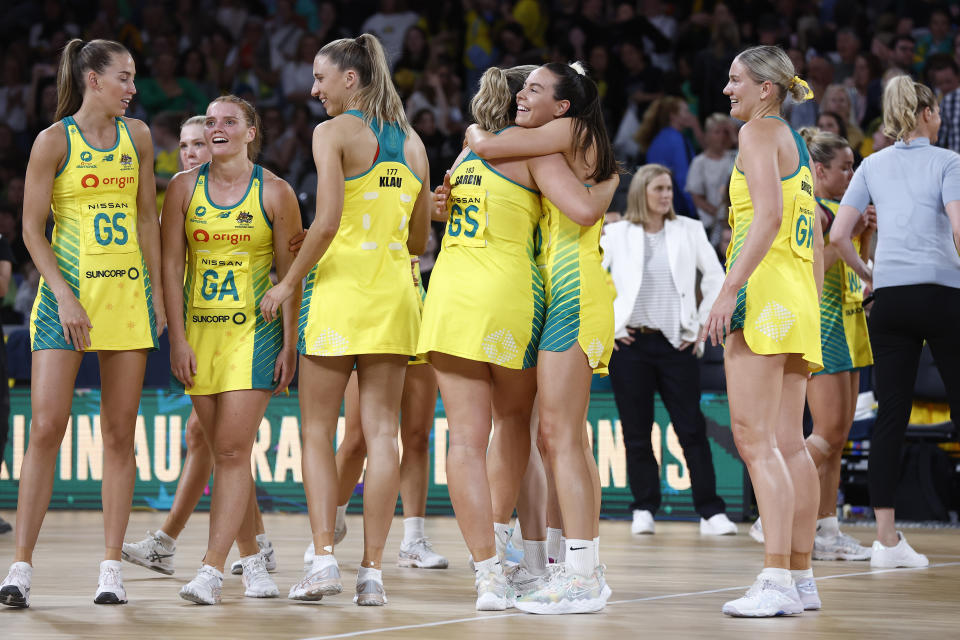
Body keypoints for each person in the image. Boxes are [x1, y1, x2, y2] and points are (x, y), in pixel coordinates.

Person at [423, 64, 616, 612]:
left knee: (541, 438)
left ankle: (512, 568)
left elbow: (577, 206)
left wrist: (606, 183)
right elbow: (577, 203)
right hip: (524, 295)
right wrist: (606, 183)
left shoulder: (478, 151)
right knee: (543, 435)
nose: (529, 96)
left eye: (540, 89)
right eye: (525, 88)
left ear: (562, 105)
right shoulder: (523, 148)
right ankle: (553, 563)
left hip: (475, 293)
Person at [259, 33, 432, 607]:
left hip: (337, 295)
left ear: (351, 79)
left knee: (316, 431)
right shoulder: (412, 142)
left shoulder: (331, 133)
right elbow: (418, 238)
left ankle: (324, 559)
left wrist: (287, 283)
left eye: (320, 78)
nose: (313, 89)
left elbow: (327, 222)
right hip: (396, 298)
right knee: (383, 435)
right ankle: (374, 572)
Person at [0, 38, 165, 608]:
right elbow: (30, 231)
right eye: (124, 77)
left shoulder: (137, 136)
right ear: (93, 79)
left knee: (120, 436)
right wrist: (66, 298)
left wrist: (159, 297)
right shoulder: (52, 141)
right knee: (46, 428)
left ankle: (111, 568)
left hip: (126, 296)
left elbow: (148, 218)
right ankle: (20, 567)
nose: (132, 88)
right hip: (64, 300)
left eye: (134, 78)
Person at [122, 114, 280, 579]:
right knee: (214, 442)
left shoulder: (248, 190)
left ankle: (207, 545)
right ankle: (254, 545)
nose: (190, 153)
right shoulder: (184, 191)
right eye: (184, 145)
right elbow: (173, 264)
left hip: (241, 332)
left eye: (198, 144)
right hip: (200, 326)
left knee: (222, 444)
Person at [161, 95, 301, 605]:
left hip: (253, 336)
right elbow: (170, 272)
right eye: (211, 121)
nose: (218, 129)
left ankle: (211, 571)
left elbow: (290, 277)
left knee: (232, 450)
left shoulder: (277, 192)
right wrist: (176, 339)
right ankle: (256, 562)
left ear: (250, 132)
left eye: (229, 122)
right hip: (199, 337)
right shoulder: (180, 189)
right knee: (226, 456)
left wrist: (291, 344)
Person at [702, 45, 823, 617]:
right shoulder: (795, 143)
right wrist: (810, 303)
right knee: (791, 445)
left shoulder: (756, 134)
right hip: (798, 298)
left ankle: (775, 578)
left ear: (766, 88)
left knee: (755, 441)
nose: (728, 90)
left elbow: (768, 218)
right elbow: (817, 238)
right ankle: (800, 578)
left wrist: (729, 289)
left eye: (735, 80)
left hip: (764, 292)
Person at [832, 76, 960, 568]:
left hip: (890, 298)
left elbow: (842, 235)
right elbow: (957, 226)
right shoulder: (948, 162)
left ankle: (885, 540)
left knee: (891, 414)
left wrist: (871, 275)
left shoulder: (872, 164)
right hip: (943, 293)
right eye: (938, 111)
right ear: (926, 113)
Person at [602, 163, 737, 538]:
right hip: (630, 345)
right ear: (641, 192)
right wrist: (610, 326)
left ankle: (711, 511)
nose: (666, 195)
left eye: (669, 188)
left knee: (691, 427)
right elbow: (594, 279)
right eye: (659, 189)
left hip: (676, 342)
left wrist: (698, 326)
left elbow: (716, 278)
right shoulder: (616, 233)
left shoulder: (689, 230)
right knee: (635, 431)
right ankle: (643, 507)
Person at [800, 128, 874, 561]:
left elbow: (865, 269)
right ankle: (776, 503)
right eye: (844, 167)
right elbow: (817, 267)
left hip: (851, 323)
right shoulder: (812, 209)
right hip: (823, 324)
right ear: (820, 170)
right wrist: (841, 239)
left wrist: (864, 235)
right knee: (824, 434)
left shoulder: (844, 210)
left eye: (854, 166)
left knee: (840, 437)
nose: (851, 174)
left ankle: (825, 530)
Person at [685, 113, 737, 245]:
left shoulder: (734, 158)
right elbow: (697, 198)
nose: (722, 137)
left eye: (725, 132)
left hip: (734, 222)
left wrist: (733, 133)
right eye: (717, 132)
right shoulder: (699, 163)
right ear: (707, 135)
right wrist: (720, 215)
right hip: (710, 225)